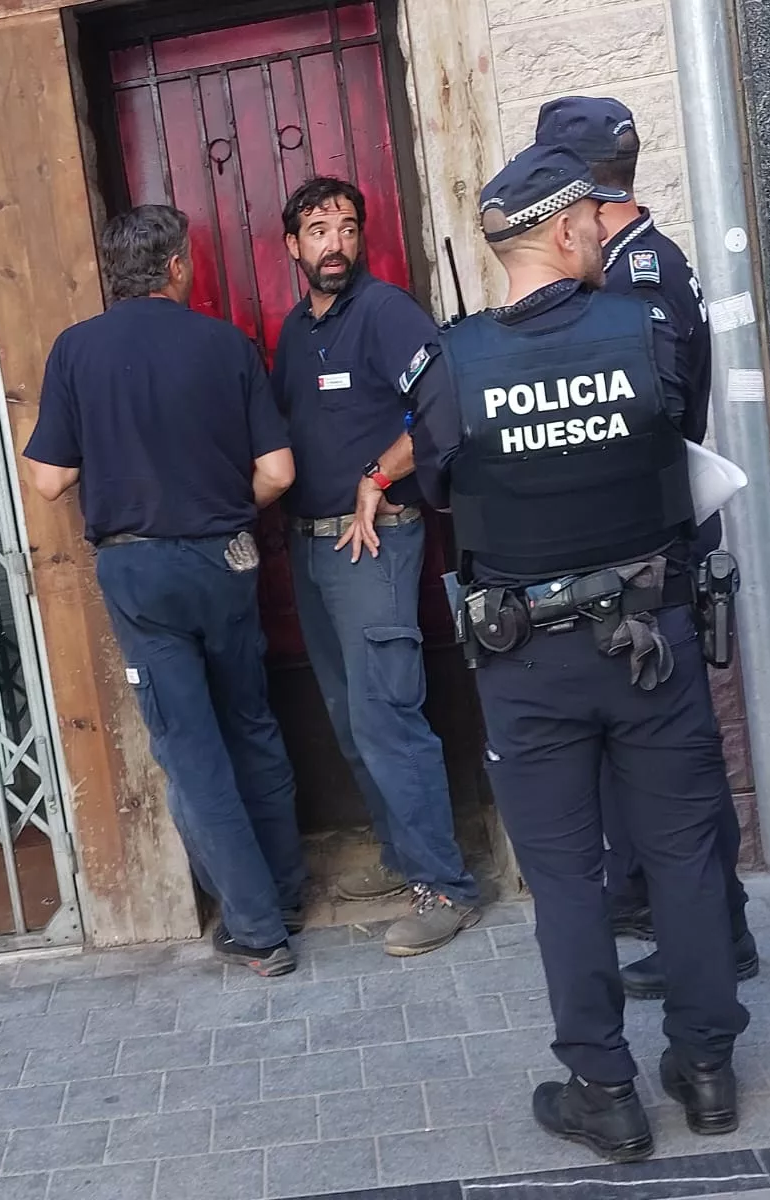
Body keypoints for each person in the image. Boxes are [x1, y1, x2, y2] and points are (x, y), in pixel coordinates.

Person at [407, 143, 749, 1161]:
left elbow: (438, 488)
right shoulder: (643, 331)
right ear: (563, 231)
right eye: (594, 220)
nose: (605, 229)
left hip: (527, 661)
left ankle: (605, 1090)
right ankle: (707, 1068)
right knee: (684, 855)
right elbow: (677, 437)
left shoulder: (452, 362)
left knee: (565, 878)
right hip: (653, 642)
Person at [22, 204, 309, 977]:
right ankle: (286, 894)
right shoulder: (227, 345)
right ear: (177, 267)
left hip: (140, 571)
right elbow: (278, 471)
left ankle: (259, 930)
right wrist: (220, 511)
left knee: (190, 748)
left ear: (113, 273)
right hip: (228, 558)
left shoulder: (76, 350)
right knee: (251, 722)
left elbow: (50, 480)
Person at [535, 95, 757, 1001]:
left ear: (578, 188)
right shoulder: (631, 264)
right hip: (644, 554)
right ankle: (668, 910)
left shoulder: (638, 278)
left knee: (675, 771)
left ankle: (718, 936)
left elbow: (651, 421)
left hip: (653, 554)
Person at [269, 176, 479, 957]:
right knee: (351, 720)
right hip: (312, 545)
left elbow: (447, 403)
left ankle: (446, 887)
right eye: (319, 230)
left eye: (348, 228)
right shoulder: (297, 330)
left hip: (374, 542)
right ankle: (403, 857)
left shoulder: (386, 312)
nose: (336, 243)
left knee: (388, 716)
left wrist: (379, 474)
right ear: (292, 245)